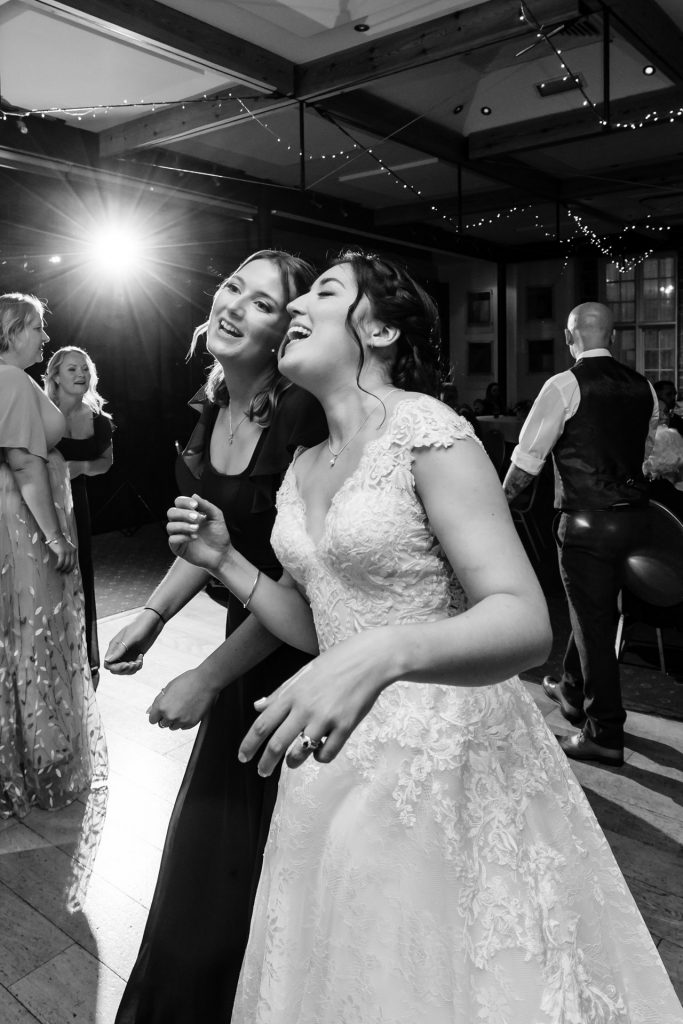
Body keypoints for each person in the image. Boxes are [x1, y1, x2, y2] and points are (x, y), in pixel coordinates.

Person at [168, 257, 683, 1023]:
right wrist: (229, 564)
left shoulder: (427, 431)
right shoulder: (304, 464)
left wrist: (381, 654)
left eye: (324, 292)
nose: (300, 304)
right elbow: (319, 626)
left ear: (376, 329)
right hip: (334, 761)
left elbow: (520, 619)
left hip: (442, 753)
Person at [107, 251, 326, 1024]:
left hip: (298, 659)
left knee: (250, 863)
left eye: (264, 303)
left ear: (284, 332)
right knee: (209, 861)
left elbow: (306, 592)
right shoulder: (211, 405)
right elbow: (202, 541)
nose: (236, 305)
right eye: (233, 286)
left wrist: (205, 675)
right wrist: (152, 614)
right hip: (246, 635)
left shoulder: (302, 418)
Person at [503, 301, 658, 767]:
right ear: (611, 337)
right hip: (635, 522)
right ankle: (571, 691)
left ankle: (604, 732)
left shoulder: (563, 384)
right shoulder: (643, 387)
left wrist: (498, 504)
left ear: (571, 337)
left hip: (587, 523)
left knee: (593, 623)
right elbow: (645, 454)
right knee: (593, 612)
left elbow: (526, 462)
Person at [0, 293, 107, 818]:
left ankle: (20, 754)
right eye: (38, 329)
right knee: (33, 634)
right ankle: (37, 758)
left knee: (16, 634)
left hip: (14, 517)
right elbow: (24, 465)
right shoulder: (13, 380)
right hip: (24, 525)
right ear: (13, 329)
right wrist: (56, 538)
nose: (43, 339)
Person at [45, 347, 114, 687]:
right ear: (55, 375)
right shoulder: (40, 413)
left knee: (79, 573)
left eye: (85, 368)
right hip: (41, 501)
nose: (80, 374)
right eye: (72, 368)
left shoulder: (99, 419)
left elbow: (106, 462)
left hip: (77, 502)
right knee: (44, 573)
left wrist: (77, 468)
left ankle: (81, 655)